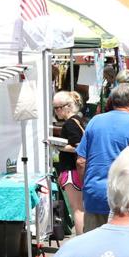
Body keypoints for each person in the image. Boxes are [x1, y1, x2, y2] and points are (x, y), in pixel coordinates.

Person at [76, 84, 129, 232]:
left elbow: (81, 161)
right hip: (125, 196)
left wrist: (87, 186)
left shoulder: (95, 121)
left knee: (94, 244)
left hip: (94, 194)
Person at [52, 92, 86, 236]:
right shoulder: (78, 120)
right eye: (55, 108)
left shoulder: (70, 123)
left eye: (58, 108)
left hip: (72, 170)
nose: (56, 111)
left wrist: (59, 146)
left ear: (67, 107)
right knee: (80, 208)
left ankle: (81, 241)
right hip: (77, 169)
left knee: (77, 210)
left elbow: (78, 146)